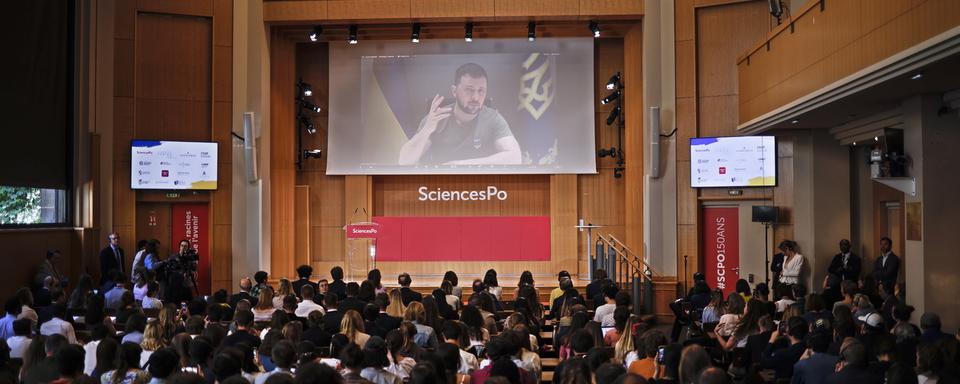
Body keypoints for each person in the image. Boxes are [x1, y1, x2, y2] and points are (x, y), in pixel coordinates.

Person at [398, 63, 521, 166]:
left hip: (482, 188)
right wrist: (427, 129)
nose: (476, 97)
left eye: (481, 91)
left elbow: (515, 158)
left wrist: (459, 165)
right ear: (454, 91)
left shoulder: (493, 118)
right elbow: (404, 162)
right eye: (469, 90)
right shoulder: (437, 118)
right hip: (439, 189)